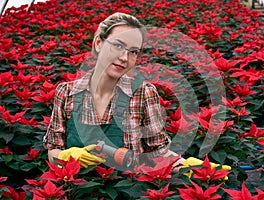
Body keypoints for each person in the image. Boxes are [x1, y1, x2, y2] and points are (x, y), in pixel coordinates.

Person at [43, 12, 177, 169]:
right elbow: (53, 151)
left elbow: (160, 153)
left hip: (128, 189)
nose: (124, 58)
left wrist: (194, 167)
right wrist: (66, 156)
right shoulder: (67, 93)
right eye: (118, 46)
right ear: (99, 43)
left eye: (133, 51)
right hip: (77, 190)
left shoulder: (143, 93)